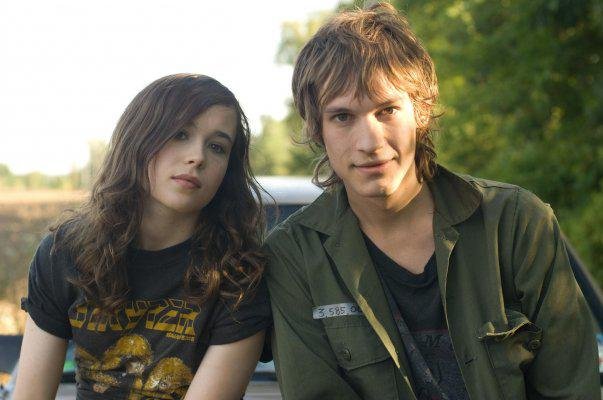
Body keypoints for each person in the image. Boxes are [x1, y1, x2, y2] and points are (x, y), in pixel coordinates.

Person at [264, 3, 599, 399]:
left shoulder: (516, 225)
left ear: (420, 112)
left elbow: (572, 389)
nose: (370, 142)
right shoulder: (295, 256)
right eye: (342, 117)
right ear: (317, 129)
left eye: (387, 110)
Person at [14, 73, 271, 400]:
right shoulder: (65, 253)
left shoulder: (239, 275)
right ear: (139, 137)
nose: (198, 156)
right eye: (180, 134)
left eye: (217, 147)